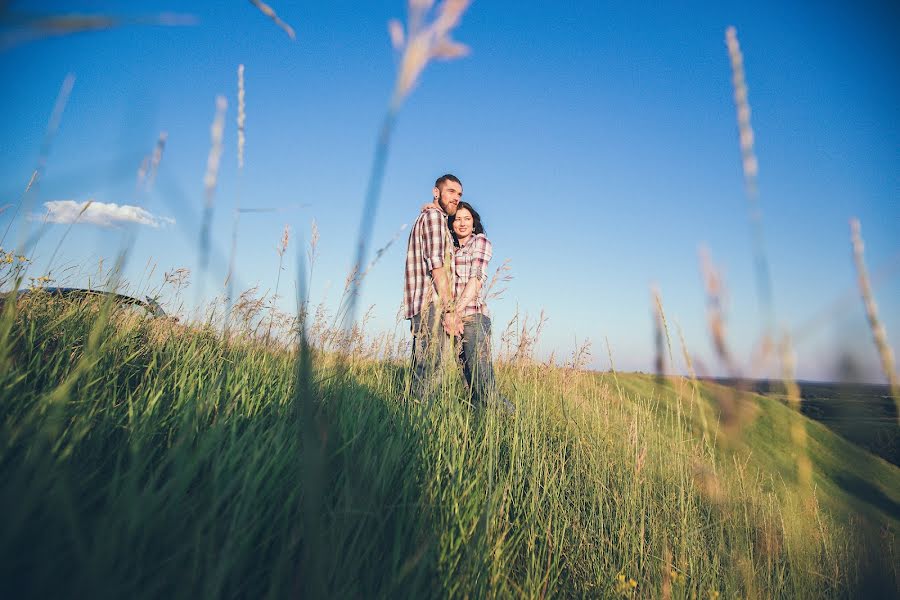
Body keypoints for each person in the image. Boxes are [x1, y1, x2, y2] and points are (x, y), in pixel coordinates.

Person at [404, 174, 462, 402]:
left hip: (425, 305)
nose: (456, 198)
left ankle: (410, 416)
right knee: (429, 370)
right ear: (436, 192)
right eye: (451, 192)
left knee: (423, 368)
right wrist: (449, 310)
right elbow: (437, 268)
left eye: (459, 194)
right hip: (431, 306)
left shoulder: (433, 218)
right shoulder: (434, 219)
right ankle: (417, 424)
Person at [448, 201, 511, 410]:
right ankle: (479, 423)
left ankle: (510, 418)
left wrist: (455, 312)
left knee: (483, 381)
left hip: (472, 318)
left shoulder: (480, 242)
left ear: (474, 223)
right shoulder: (452, 248)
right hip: (455, 321)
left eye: (467, 218)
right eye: (457, 219)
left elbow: (476, 280)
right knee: (468, 382)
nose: (462, 223)